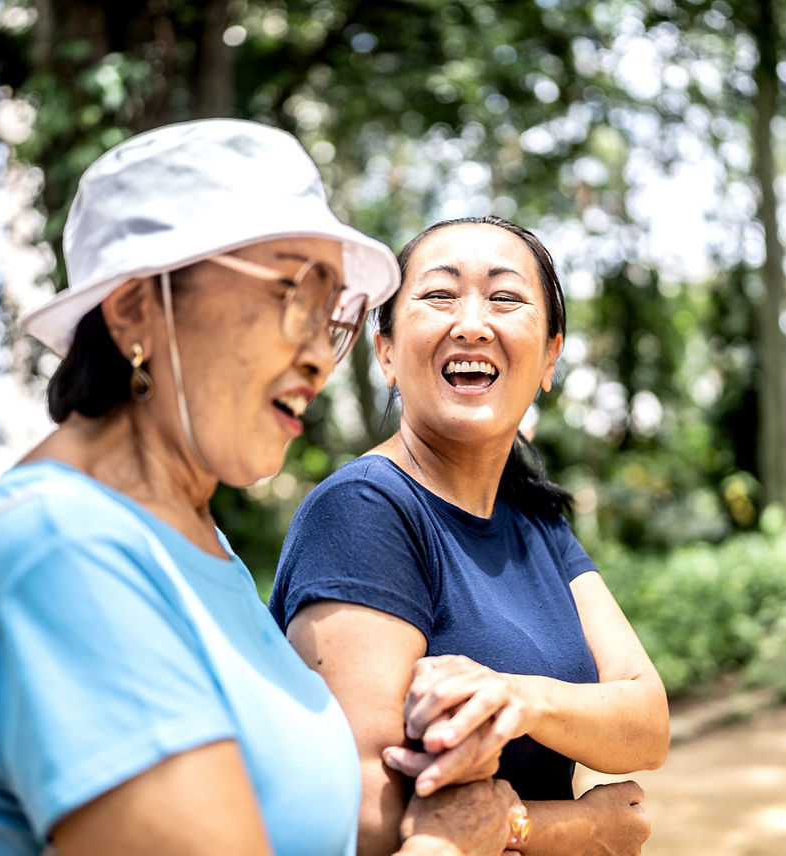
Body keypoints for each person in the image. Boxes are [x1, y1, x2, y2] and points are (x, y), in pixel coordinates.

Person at [0, 121, 527, 855]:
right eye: (291, 295)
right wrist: (452, 844)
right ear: (134, 308)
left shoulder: (192, 539)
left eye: (332, 315)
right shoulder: (64, 553)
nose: (318, 355)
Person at [270, 216, 670, 855]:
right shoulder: (365, 511)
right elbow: (363, 822)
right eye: (439, 295)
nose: (473, 323)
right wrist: (580, 829)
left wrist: (518, 698)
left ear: (549, 359)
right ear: (387, 353)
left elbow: (646, 724)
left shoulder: (537, 520)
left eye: (506, 298)